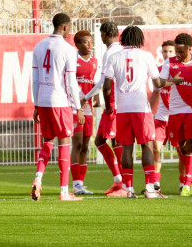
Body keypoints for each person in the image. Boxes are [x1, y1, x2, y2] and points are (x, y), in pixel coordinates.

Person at [103, 26, 183, 198]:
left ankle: (129, 189)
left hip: (123, 108)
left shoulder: (114, 56)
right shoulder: (146, 55)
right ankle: (150, 188)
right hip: (141, 107)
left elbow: (106, 86)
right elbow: (158, 83)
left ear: (123, 39)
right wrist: (175, 81)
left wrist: (108, 105)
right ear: (139, 39)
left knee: (126, 147)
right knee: (146, 145)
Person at [31, 13, 84, 201]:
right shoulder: (68, 50)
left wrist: (36, 105)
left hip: (43, 102)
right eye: (69, 28)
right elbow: (70, 82)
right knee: (64, 142)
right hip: (60, 102)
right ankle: (63, 191)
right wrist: (77, 108)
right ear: (65, 28)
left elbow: (36, 79)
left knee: (47, 142)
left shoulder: (39, 46)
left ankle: (38, 179)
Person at [160, 33, 192, 197]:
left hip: (191, 110)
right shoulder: (170, 62)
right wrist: (174, 81)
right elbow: (159, 82)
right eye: (176, 51)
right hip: (174, 112)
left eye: (181, 51)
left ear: (189, 48)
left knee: (191, 146)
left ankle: (186, 185)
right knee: (181, 149)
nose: (178, 55)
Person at [83, 21, 126, 197]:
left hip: (114, 103)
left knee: (115, 142)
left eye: (100, 35)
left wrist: (85, 97)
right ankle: (118, 181)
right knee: (100, 141)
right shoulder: (122, 51)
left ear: (104, 34)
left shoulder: (111, 53)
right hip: (117, 101)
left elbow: (103, 83)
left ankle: (123, 185)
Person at [149, 40, 185, 192]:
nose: (167, 54)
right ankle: (156, 182)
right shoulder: (157, 71)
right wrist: (149, 112)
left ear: (176, 53)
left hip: (176, 116)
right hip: (161, 116)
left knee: (181, 151)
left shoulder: (181, 70)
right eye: (165, 51)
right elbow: (156, 92)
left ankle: (183, 182)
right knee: (155, 148)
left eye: (170, 51)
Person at [70, 30, 100, 195]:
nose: (89, 45)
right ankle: (75, 183)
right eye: (85, 42)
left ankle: (81, 183)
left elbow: (95, 83)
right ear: (78, 44)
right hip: (76, 107)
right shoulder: (73, 60)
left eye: (91, 42)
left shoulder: (95, 61)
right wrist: (76, 107)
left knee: (86, 145)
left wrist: (96, 99)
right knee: (78, 143)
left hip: (88, 108)